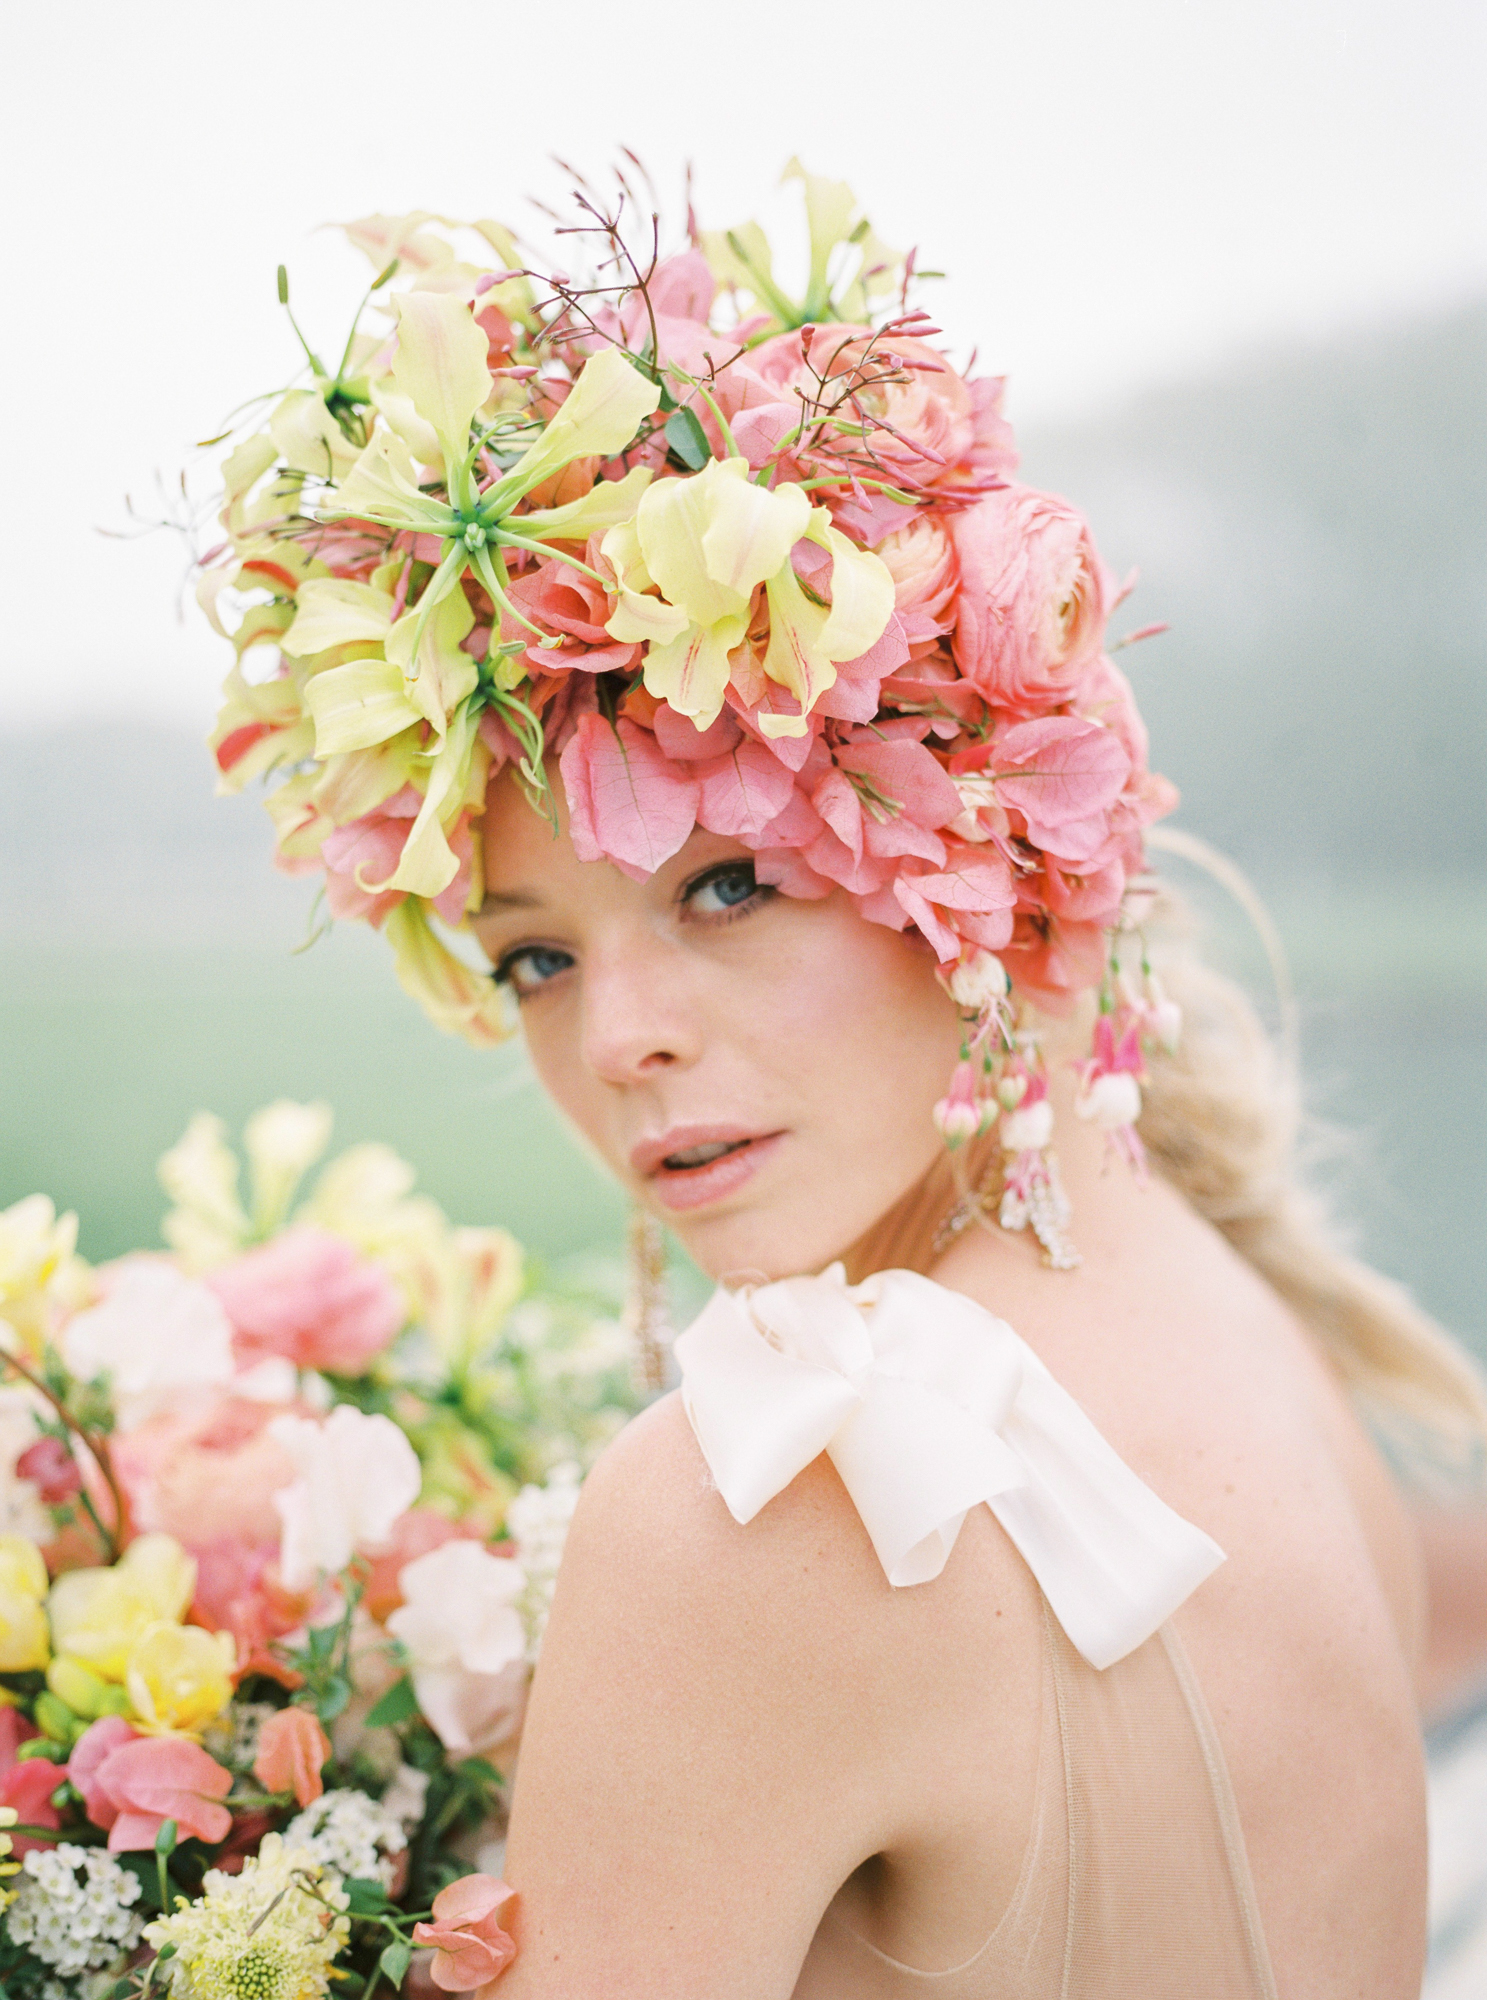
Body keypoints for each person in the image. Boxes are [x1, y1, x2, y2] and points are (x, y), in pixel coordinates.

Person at [199, 171, 1487, 1996]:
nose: (612, 1037)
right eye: (534, 957)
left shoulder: (780, 1507)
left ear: (980, 860)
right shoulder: (1259, 1327)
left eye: (726, 884)